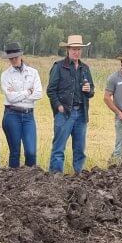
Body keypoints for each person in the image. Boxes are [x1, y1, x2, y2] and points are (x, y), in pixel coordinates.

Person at [47, 34, 96, 174]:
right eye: (74, 49)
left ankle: (79, 177)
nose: (76, 52)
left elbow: (91, 91)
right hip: (64, 113)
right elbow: (51, 90)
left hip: (81, 113)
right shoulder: (59, 67)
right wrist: (58, 106)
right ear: (68, 50)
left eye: (79, 49)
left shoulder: (85, 68)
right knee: (59, 148)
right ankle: (55, 177)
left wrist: (89, 89)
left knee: (80, 149)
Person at [0, 42, 42, 168]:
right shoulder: (5, 75)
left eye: (15, 57)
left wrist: (18, 94)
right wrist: (28, 91)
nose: (13, 60)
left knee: (31, 152)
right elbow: (10, 98)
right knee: (15, 152)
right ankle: (13, 179)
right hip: (12, 114)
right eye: (10, 58)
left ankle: (31, 177)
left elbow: (38, 93)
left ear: (20, 55)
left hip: (28, 116)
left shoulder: (33, 72)